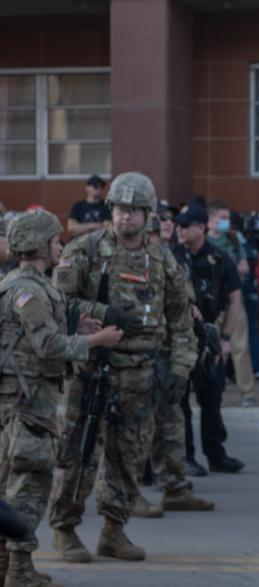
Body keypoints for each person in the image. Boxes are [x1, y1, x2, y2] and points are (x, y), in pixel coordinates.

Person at [49, 172, 195, 564]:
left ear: (147, 214)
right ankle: (65, 528)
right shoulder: (85, 250)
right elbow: (56, 303)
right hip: (94, 369)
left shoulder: (163, 259)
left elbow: (182, 320)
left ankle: (114, 531)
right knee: (79, 455)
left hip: (141, 373)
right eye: (119, 208)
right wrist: (102, 312)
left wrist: (180, 370)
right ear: (110, 210)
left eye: (133, 210)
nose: (125, 217)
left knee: (128, 457)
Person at [0, 211, 122, 586]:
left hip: (26, 399)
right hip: (27, 403)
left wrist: (77, 326)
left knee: (13, 483)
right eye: (54, 241)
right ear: (39, 245)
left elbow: (40, 332)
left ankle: (6, 566)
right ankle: (19, 571)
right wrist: (94, 342)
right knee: (29, 483)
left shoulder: (33, 285)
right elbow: (48, 345)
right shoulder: (27, 289)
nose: (59, 246)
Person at [138, 214, 215, 515]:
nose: (157, 239)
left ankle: (174, 487)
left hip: (165, 354)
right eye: (153, 233)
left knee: (171, 422)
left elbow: (186, 304)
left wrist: (182, 361)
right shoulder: (122, 262)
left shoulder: (168, 262)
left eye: (158, 233)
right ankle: (130, 493)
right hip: (134, 357)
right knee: (134, 429)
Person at [173, 203, 246, 476]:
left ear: (201, 228)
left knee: (211, 400)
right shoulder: (171, 257)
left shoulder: (219, 259)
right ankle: (186, 456)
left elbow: (235, 300)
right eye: (178, 226)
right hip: (179, 337)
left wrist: (226, 338)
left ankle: (216, 454)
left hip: (209, 336)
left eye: (185, 226)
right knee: (179, 403)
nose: (179, 230)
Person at [205, 200, 256, 408]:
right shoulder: (203, 242)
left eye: (227, 218)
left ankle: (247, 392)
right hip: (210, 304)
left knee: (240, 348)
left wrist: (227, 267)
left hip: (234, 301)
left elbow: (245, 268)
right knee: (211, 349)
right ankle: (212, 389)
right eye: (222, 218)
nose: (226, 222)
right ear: (210, 220)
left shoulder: (234, 241)